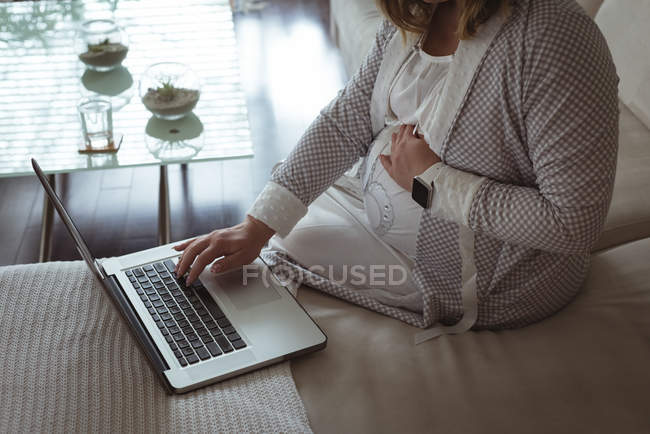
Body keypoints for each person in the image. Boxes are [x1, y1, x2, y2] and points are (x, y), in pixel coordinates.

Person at [175, 0, 619, 342]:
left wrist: (431, 184)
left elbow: (574, 224)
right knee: (271, 235)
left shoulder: (555, 38)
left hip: (483, 281)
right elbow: (348, 120)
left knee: (274, 263)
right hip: (380, 225)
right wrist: (257, 224)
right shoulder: (422, 12)